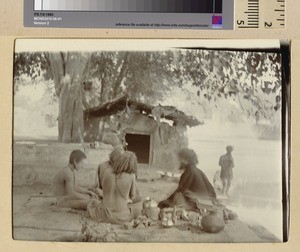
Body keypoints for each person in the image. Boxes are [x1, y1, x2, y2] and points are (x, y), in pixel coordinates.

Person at [87, 151, 142, 224]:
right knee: (138, 208)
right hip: (122, 217)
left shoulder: (107, 172)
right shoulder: (131, 176)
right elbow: (133, 197)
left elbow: (102, 189)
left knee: (93, 202)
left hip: (103, 215)